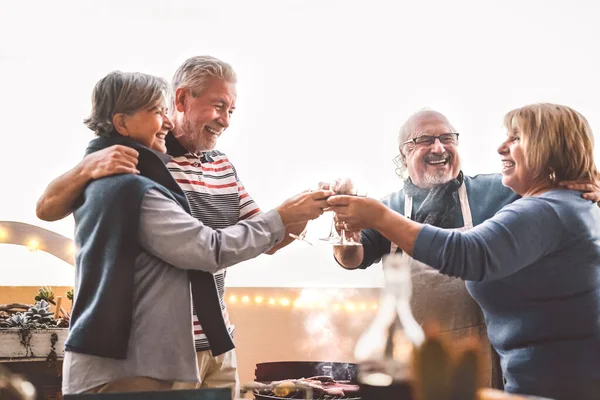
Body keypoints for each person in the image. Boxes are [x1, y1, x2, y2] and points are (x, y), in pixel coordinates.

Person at [36, 57, 322, 395]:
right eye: (219, 106)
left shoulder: (221, 166)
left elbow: (266, 236)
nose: (226, 120)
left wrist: (311, 207)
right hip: (160, 352)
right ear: (182, 99)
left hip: (216, 342)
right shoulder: (130, 165)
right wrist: (86, 166)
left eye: (231, 110)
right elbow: (46, 207)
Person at [329, 103, 600, 399]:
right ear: (403, 155)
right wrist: (346, 230)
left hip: (519, 372)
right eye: (424, 140)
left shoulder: (507, 194)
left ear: (549, 149)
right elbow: (352, 258)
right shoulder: (392, 205)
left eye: (447, 138)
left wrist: (378, 216)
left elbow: (468, 253)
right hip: (425, 354)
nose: (439, 147)